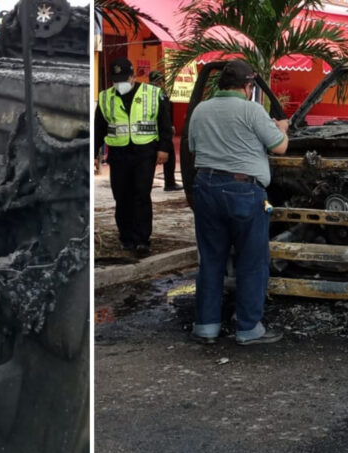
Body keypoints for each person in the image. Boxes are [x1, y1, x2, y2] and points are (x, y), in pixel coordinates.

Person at [187, 60, 290, 345]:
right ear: (247, 87)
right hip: (245, 192)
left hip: (205, 188)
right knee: (251, 260)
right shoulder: (252, 110)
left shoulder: (201, 109)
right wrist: (281, 128)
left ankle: (206, 326)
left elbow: (193, 147)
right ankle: (248, 328)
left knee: (211, 260)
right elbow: (279, 147)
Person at [95, 58, 172, 258]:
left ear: (133, 77)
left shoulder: (153, 94)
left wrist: (164, 148)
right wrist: (94, 153)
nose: (119, 83)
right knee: (121, 196)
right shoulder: (105, 97)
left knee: (141, 195)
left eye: (124, 79)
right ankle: (126, 237)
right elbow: (98, 128)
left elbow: (164, 123)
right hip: (119, 154)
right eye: (116, 79)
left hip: (144, 152)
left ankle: (142, 240)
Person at [149, 70, 182, 192]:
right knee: (170, 156)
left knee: (150, 158)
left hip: (148, 132)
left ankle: (147, 182)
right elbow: (165, 114)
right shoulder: (161, 94)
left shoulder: (144, 94)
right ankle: (170, 183)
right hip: (162, 131)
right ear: (160, 81)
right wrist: (169, 127)